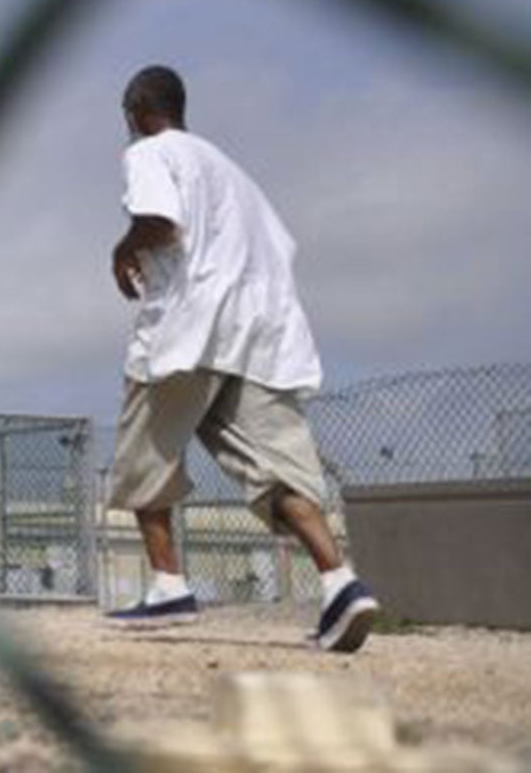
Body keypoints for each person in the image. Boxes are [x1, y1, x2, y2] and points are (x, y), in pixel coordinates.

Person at [102, 64, 377, 652]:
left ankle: (168, 587)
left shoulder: (150, 153)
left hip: (188, 327)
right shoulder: (231, 171)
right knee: (277, 467)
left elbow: (159, 220)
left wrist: (122, 248)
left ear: (135, 113)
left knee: (142, 454)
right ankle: (340, 582)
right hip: (260, 332)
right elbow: (280, 244)